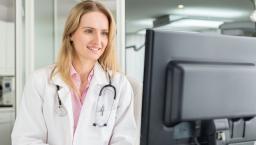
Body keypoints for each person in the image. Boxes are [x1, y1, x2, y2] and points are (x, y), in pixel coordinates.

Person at [11, 0, 137, 145]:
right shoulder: (39, 81)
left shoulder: (119, 85)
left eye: (104, 33)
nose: (98, 40)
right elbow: (25, 139)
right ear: (71, 34)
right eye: (89, 31)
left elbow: (125, 140)